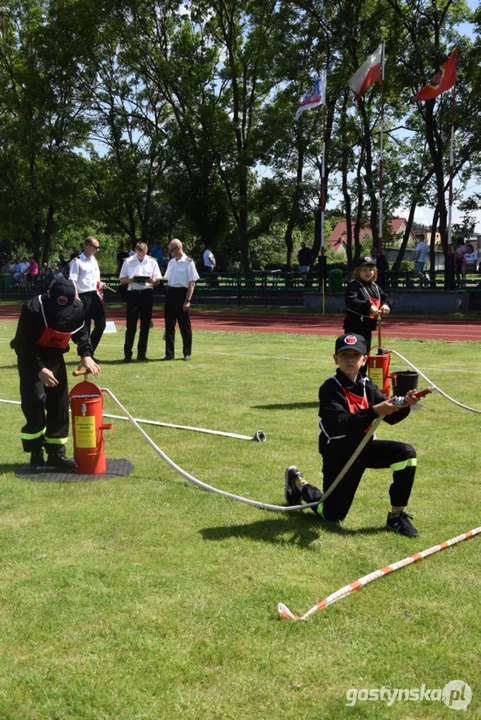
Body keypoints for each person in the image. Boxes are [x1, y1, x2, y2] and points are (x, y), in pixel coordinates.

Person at [284, 333, 420, 537]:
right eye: (344, 354)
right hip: (339, 454)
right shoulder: (330, 388)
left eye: (355, 355)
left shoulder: (367, 385)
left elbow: (390, 417)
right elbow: (340, 425)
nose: (350, 360)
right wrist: (375, 411)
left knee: (406, 454)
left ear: (364, 359)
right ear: (335, 359)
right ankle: (298, 484)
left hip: (364, 448)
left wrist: (404, 404)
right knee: (332, 515)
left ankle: (396, 516)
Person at [10, 278, 99, 470]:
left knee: (59, 404)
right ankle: (35, 451)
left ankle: (56, 454)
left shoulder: (76, 308)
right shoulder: (32, 308)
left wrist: (86, 354)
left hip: (55, 357)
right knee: (34, 401)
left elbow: (81, 331)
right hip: (31, 358)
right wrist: (39, 369)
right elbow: (21, 344)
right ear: (49, 295)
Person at [119, 242, 161, 361]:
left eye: (143, 254)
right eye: (139, 254)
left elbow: (158, 280)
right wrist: (130, 279)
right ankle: (127, 354)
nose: (141, 256)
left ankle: (142, 354)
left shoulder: (152, 261)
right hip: (133, 293)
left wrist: (151, 280)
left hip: (147, 293)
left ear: (147, 251)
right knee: (131, 325)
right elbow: (122, 279)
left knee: (145, 325)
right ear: (135, 251)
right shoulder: (128, 261)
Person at [344, 256, 391, 361]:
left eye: (371, 270)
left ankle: (362, 376)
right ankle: (353, 376)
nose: (368, 272)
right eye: (364, 270)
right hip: (354, 327)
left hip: (367, 327)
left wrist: (386, 304)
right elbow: (351, 301)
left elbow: (385, 297)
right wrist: (368, 307)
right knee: (355, 356)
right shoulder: (353, 285)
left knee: (365, 356)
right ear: (357, 271)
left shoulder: (374, 286)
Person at [69, 237, 106, 361]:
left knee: (101, 324)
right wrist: (76, 297)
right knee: (85, 327)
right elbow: (73, 280)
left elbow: (96, 280)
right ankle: (86, 355)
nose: (97, 250)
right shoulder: (77, 261)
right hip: (82, 296)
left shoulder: (94, 261)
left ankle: (90, 351)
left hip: (94, 295)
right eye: (96, 247)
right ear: (87, 246)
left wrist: (101, 285)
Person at [162, 238, 199, 361]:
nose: (170, 252)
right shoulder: (171, 262)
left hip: (182, 294)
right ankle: (169, 353)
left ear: (178, 248)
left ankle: (187, 353)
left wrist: (188, 300)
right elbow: (167, 278)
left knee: (185, 326)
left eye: (171, 250)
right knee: (169, 325)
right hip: (170, 292)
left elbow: (191, 283)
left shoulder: (188, 262)